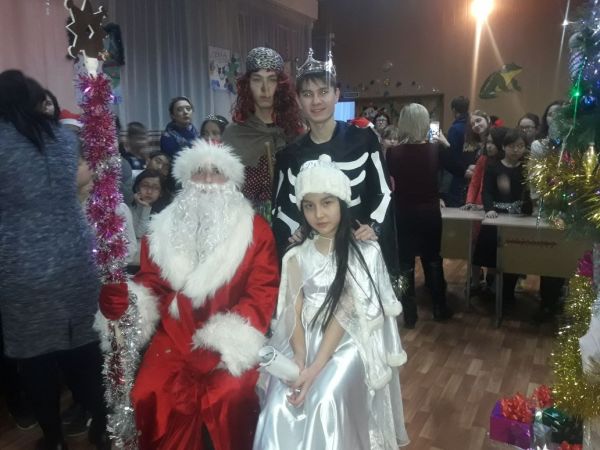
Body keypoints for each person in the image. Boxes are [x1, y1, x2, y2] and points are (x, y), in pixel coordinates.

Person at [96, 140, 279, 450]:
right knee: (147, 392)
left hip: (229, 336)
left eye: (216, 171)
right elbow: (151, 282)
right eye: (198, 171)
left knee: (228, 396)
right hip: (174, 335)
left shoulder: (255, 229)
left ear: (230, 179)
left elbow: (261, 294)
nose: (207, 180)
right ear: (185, 177)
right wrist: (127, 303)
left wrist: (223, 345)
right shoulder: (162, 228)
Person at [254, 154, 408, 449]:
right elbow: (294, 311)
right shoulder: (296, 255)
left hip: (349, 339)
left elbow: (344, 313)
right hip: (303, 338)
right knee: (279, 402)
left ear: (341, 202)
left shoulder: (364, 252)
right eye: (309, 205)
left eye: (327, 203)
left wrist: (314, 369)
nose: (319, 214)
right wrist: (299, 359)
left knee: (324, 398)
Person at [0, 69, 108, 450]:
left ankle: (54, 439)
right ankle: (102, 426)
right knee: (85, 349)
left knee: (35, 360)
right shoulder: (63, 138)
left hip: (22, 264)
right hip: (75, 255)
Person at [271, 49, 397, 275]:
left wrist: (374, 226)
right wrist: (294, 232)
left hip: (361, 254)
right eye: (307, 94)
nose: (316, 101)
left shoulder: (364, 140)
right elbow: (281, 209)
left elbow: (384, 192)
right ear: (298, 100)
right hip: (312, 260)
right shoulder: (289, 155)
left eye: (323, 92)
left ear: (337, 94)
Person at [387, 103, 466, 327]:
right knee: (433, 260)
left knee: (405, 264)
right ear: (425, 123)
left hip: (402, 212)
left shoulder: (392, 153)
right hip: (430, 213)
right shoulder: (435, 149)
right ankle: (439, 308)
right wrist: (446, 144)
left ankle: (409, 314)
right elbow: (461, 170)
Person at [223, 47, 303, 218]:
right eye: (257, 80)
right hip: (247, 223)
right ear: (247, 85)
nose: (265, 89)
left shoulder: (296, 133)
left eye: (272, 80)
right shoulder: (233, 135)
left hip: (292, 221)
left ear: (280, 86)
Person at [473, 128, 533, 307]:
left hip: (518, 218)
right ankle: (491, 288)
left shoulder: (525, 168)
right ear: (504, 147)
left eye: (521, 146)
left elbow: (528, 196)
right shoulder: (494, 166)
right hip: (497, 215)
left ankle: (507, 293)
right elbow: (487, 192)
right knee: (491, 254)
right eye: (512, 146)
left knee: (513, 255)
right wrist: (489, 209)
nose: (516, 150)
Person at [443, 95, 470, 206]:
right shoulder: (471, 125)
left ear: (453, 110)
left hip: (458, 174)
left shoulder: (455, 128)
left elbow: (452, 155)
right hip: (471, 170)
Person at [130, 169, 170, 241]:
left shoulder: (165, 214)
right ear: (137, 188)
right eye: (145, 186)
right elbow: (139, 234)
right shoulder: (128, 209)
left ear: (161, 193)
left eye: (155, 188)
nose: (149, 192)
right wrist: (145, 207)